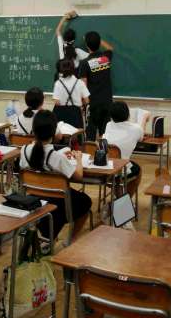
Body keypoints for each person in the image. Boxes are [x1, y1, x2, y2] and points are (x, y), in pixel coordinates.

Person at [19, 110, 91, 240]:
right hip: (56, 199)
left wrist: (59, 156)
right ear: (53, 132)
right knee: (85, 201)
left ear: (33, 130)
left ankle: (46, 234)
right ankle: (71, 240)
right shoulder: (56, 158)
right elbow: (78, 176)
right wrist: (78, 159)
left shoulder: (24, 149)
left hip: (33, 197)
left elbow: (40, 159)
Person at [103, 101, 150, 197]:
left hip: (105, 167)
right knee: (137, 170)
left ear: (111, 116)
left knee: (118, 173)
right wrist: (144, 118)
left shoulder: (108, 125)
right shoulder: (136, 129)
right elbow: (141, 136)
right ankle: (126, 198)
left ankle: (119, 195)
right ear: (128, 114)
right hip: (120, 169)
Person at [79, 31, 114, 140]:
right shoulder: (105, 58)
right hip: (106, 101)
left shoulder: (84, 63)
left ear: (87, 45)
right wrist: (98, 40)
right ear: (99, 43)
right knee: (105, 133)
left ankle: (90, 150)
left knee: (91, 134)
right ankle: (103, 150)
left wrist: (83, 103)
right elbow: (110, 48)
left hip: (93, 103)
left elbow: (83, 85)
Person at [52, 58, 89, 128]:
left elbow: (56, 102)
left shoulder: (58, 83)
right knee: (76, 132)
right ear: (73, 69)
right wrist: (80, 104)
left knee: (62, 132)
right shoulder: (79, 82)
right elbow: (87, 100)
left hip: (61, 113)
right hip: (75, 113)